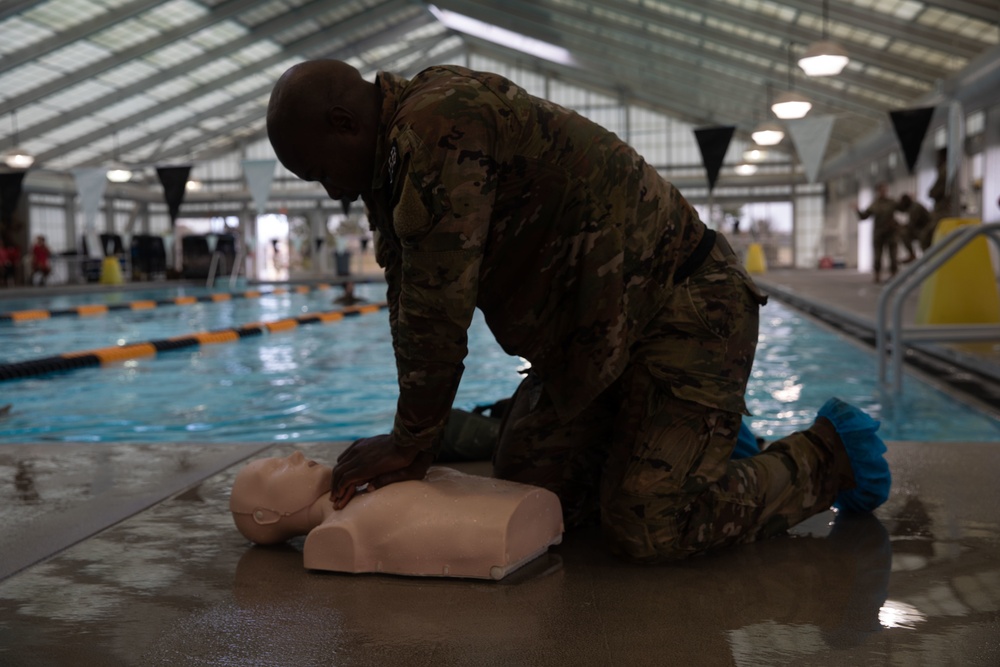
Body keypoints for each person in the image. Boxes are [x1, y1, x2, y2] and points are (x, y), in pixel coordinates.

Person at [266, 59, 890, 562]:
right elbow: (408, 304)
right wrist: (411, 438)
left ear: (346, 121)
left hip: (683, 309)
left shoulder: (437, 125)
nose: (332, 191)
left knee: (649, 525)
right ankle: (685, 439)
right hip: (599, 342)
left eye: (319, 171)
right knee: (528, 480)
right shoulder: (388, 167)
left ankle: (825, 456)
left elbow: (437, 309)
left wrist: (411, 441)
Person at [229, 451, 564, 579]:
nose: (296, 454)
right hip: (504, 528)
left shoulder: (361, 488)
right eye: (276, 467)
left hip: (516, 510)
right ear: (265, 515)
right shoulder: (335, 535)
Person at [856, 183, 899, 284]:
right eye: (882, 190)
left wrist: (909, 200)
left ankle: (894, 275)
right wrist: (857, 210)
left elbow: (902, 208)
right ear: (878, 191)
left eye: (885, 190)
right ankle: (877, 275)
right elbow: (864, 216)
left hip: (891, 232)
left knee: (893, 255)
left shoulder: (892, 202)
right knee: (877, 256)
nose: (884, 192)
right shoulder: (875, 204)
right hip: (879, 233)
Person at [896, 193, 934, 261]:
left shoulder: (914, 208)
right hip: (922, 229)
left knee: (903, 233)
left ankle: (924, 257)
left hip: (927, 229)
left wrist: (900, 226)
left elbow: (911, 225)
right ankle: (915, 255)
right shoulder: (913, 207)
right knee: (904, 233)